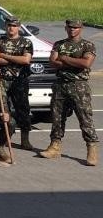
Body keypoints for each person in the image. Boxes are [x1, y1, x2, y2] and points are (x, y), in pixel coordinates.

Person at [40, 18, 97, 166]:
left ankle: (91, 147)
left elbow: (86, 63)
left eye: (76, 27)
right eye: (70, 27)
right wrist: (73, 62)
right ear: (66, 28)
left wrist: (64, 58)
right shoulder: (59, 44)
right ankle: (55, 146)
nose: (72, 29)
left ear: (81, 28)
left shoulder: (87, 45)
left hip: (79, 86)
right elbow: (52, 62)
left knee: (85, 118)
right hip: (61, 85)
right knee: (57, 117)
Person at [0, 16, 34, 151]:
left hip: (19, 80)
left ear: (19, 27)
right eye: (9, 25)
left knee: (23, 109)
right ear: (5, 26)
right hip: (2, 79)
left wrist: (5, 56)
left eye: (14, 26)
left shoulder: (26, 42)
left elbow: (26, 60)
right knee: (1, 107)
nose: (11, 28)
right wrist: (16, 59)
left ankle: (25, 138)